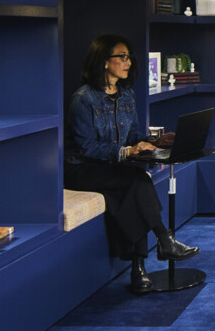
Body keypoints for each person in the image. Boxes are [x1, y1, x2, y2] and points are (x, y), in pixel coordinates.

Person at [65, 34, 198, 294]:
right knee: (136, 180)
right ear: (104, 61)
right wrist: (126, 151)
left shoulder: (126, 96)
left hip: (111, 167)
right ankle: (163, 239)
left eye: (129, 57)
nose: (128, 62)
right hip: (81, 168)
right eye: (121, 57)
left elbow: (134, 136)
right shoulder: (83, 99)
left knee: (133, 187)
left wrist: (154, 142)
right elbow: (86, 147)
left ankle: (140, 268)